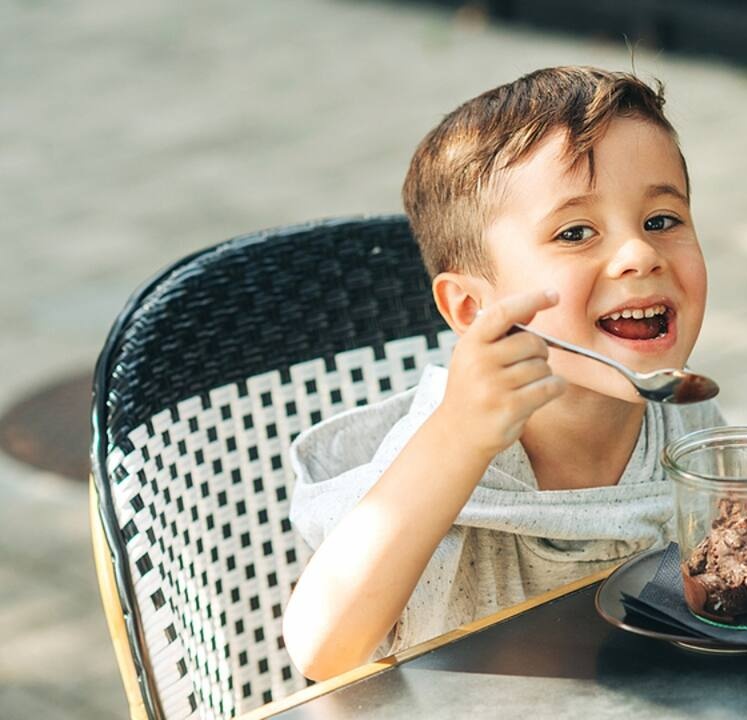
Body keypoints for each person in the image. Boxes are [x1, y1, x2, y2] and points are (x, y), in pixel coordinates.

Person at [282, 66, 722, 681]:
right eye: (575, 232)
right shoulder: (445, 450)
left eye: (661, 221)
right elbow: (321, 651)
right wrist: (459, 437)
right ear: (472, 308)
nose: (640, 255)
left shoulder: (684, 417)